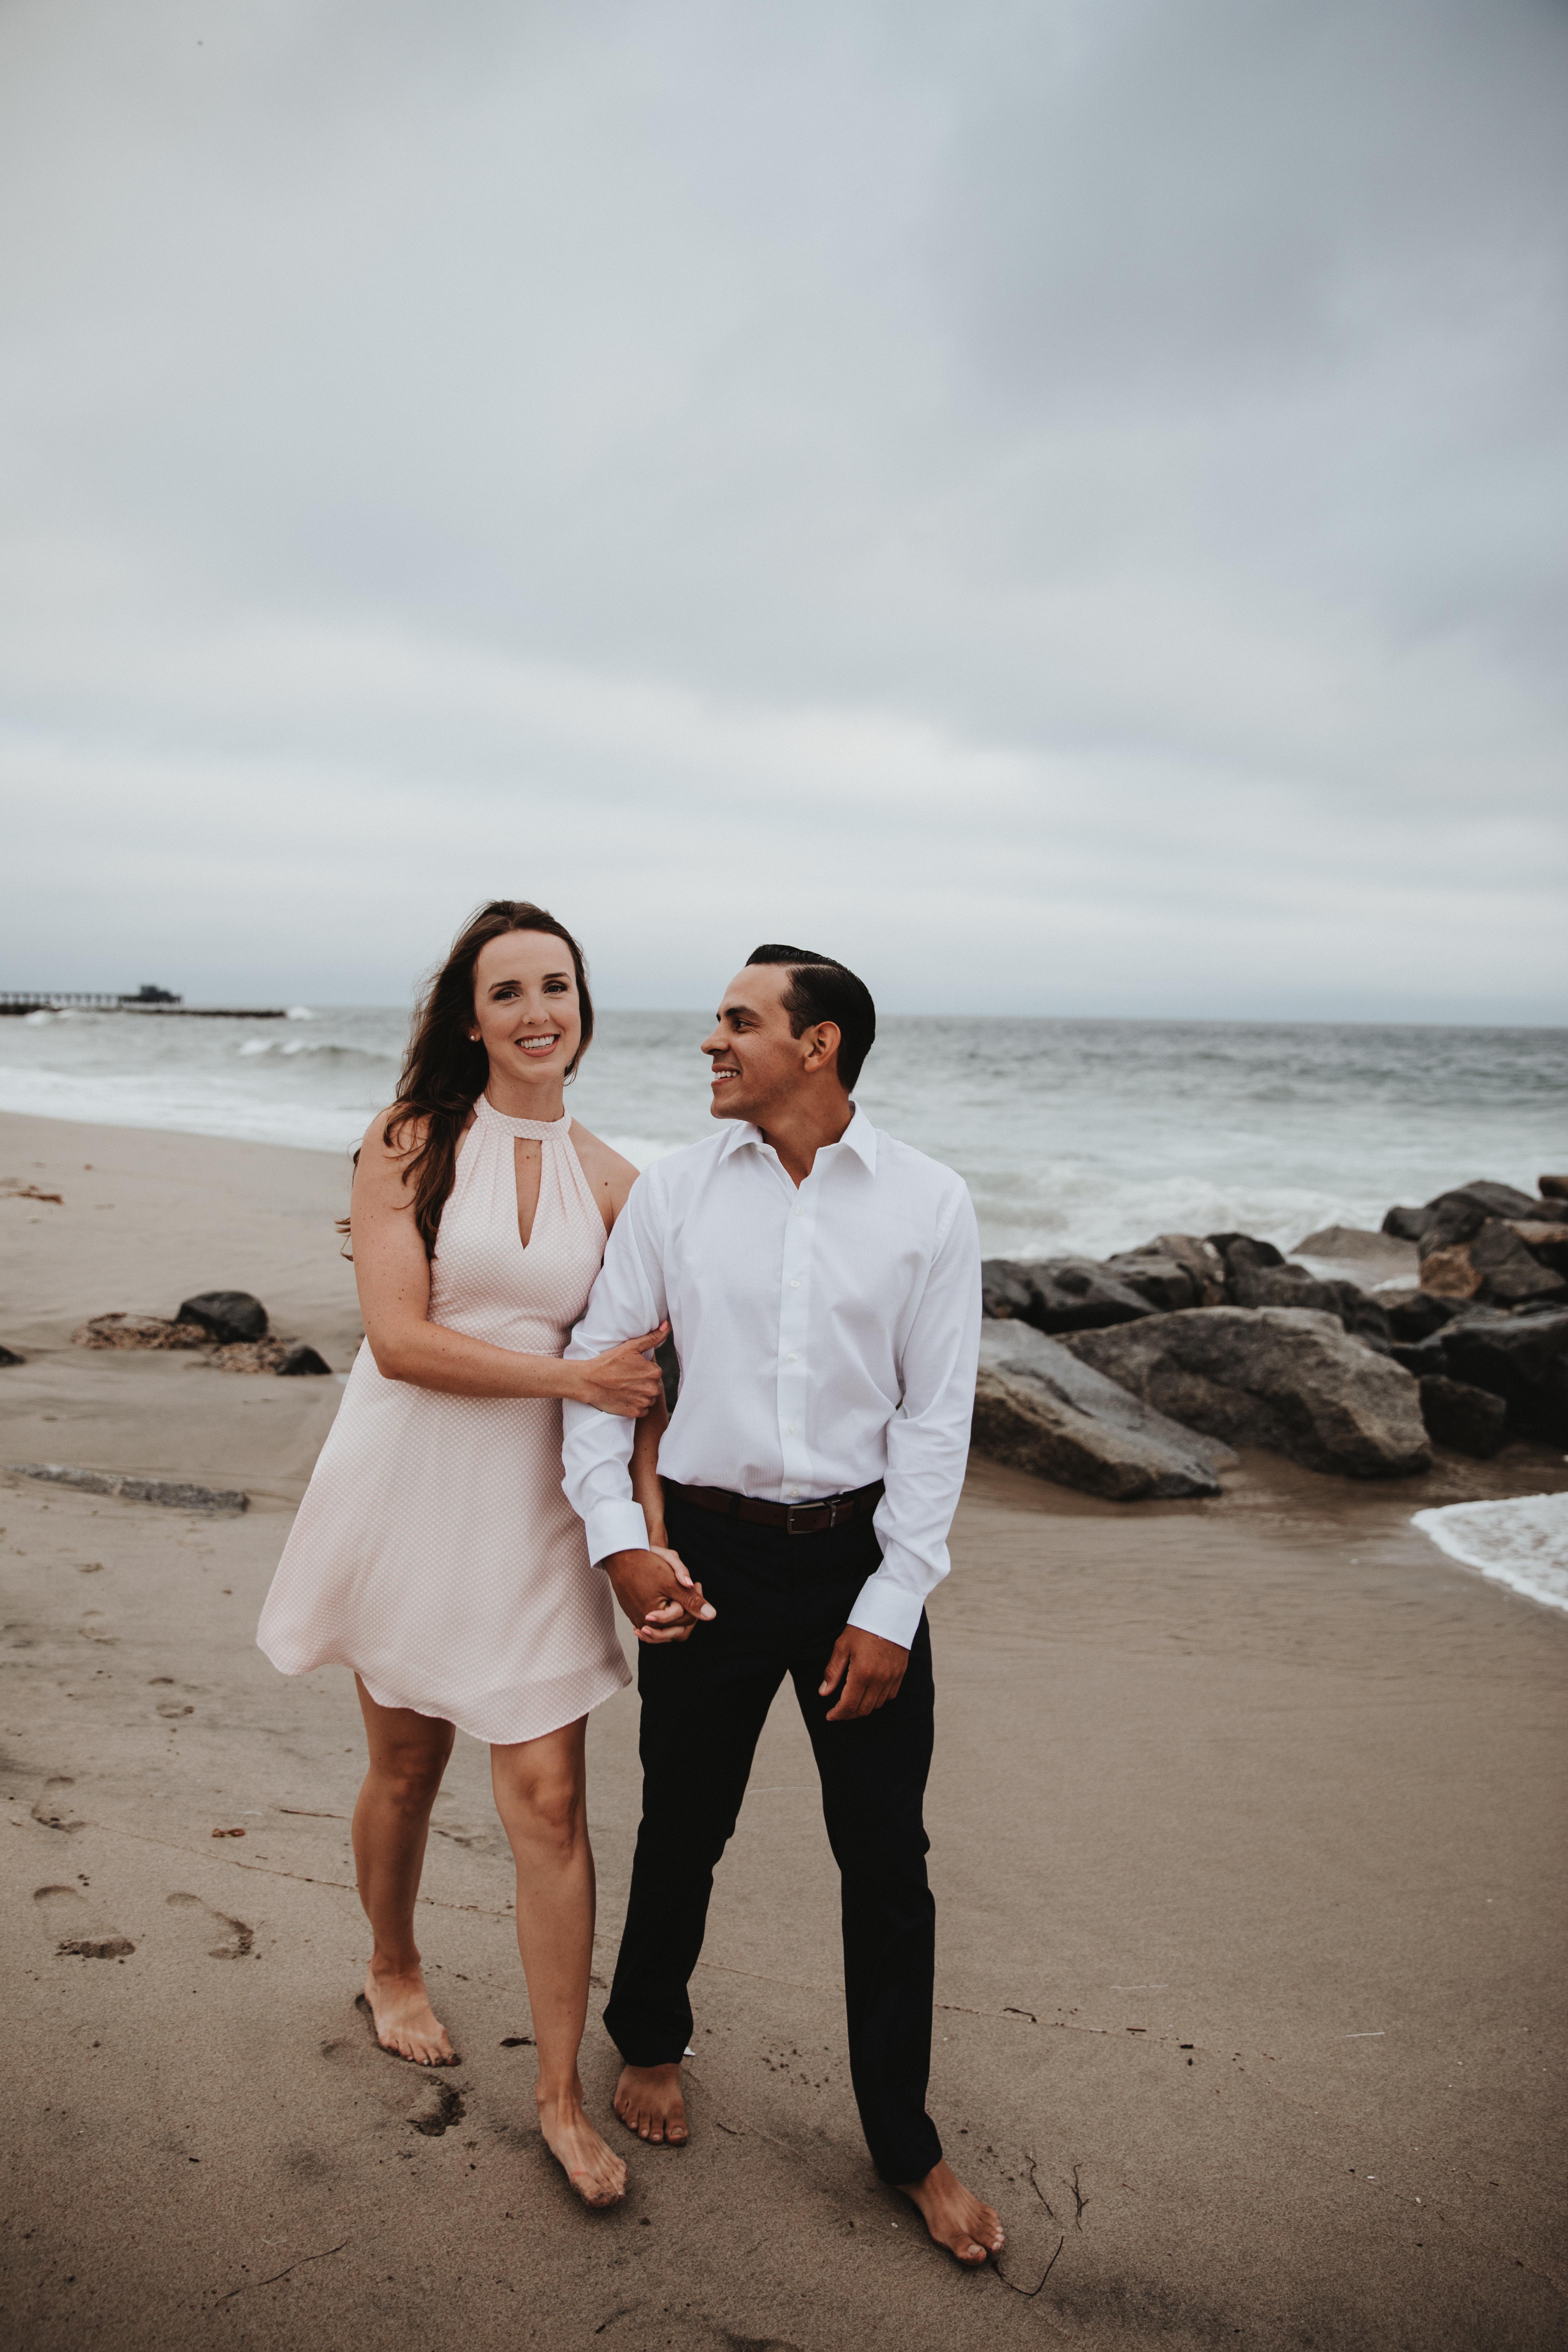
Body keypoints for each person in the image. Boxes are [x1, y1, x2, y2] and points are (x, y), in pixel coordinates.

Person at [561, 944, 1004, 2266]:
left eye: (740, 1022)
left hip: (859, 1562)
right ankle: (648, 2039)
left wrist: (894, 1602)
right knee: (685, 1822)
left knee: (887, 1863)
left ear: (819, 1046)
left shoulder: (930, 1203)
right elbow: (611, 1377)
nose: (713, 1040)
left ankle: (905, 2146)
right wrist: (620, 1543)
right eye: (717, 1020)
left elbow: (937, 1421)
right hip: (701, 1552)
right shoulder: (678, 1193)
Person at [258, 899, 671, 2209]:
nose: (539, 1011)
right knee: (408, 1760)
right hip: (409, 1483)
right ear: (471, 1016)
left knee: (550, 1802)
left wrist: (650, 1546)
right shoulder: (410, 1143)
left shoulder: (624, 1184)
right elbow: (399, 1340)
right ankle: (392, 1962)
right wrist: (572, 1374)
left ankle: (555, 2097)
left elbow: (641, 1390)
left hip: (537, 1510)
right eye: (510, 992)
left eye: (559, 986)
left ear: (583, 1009)